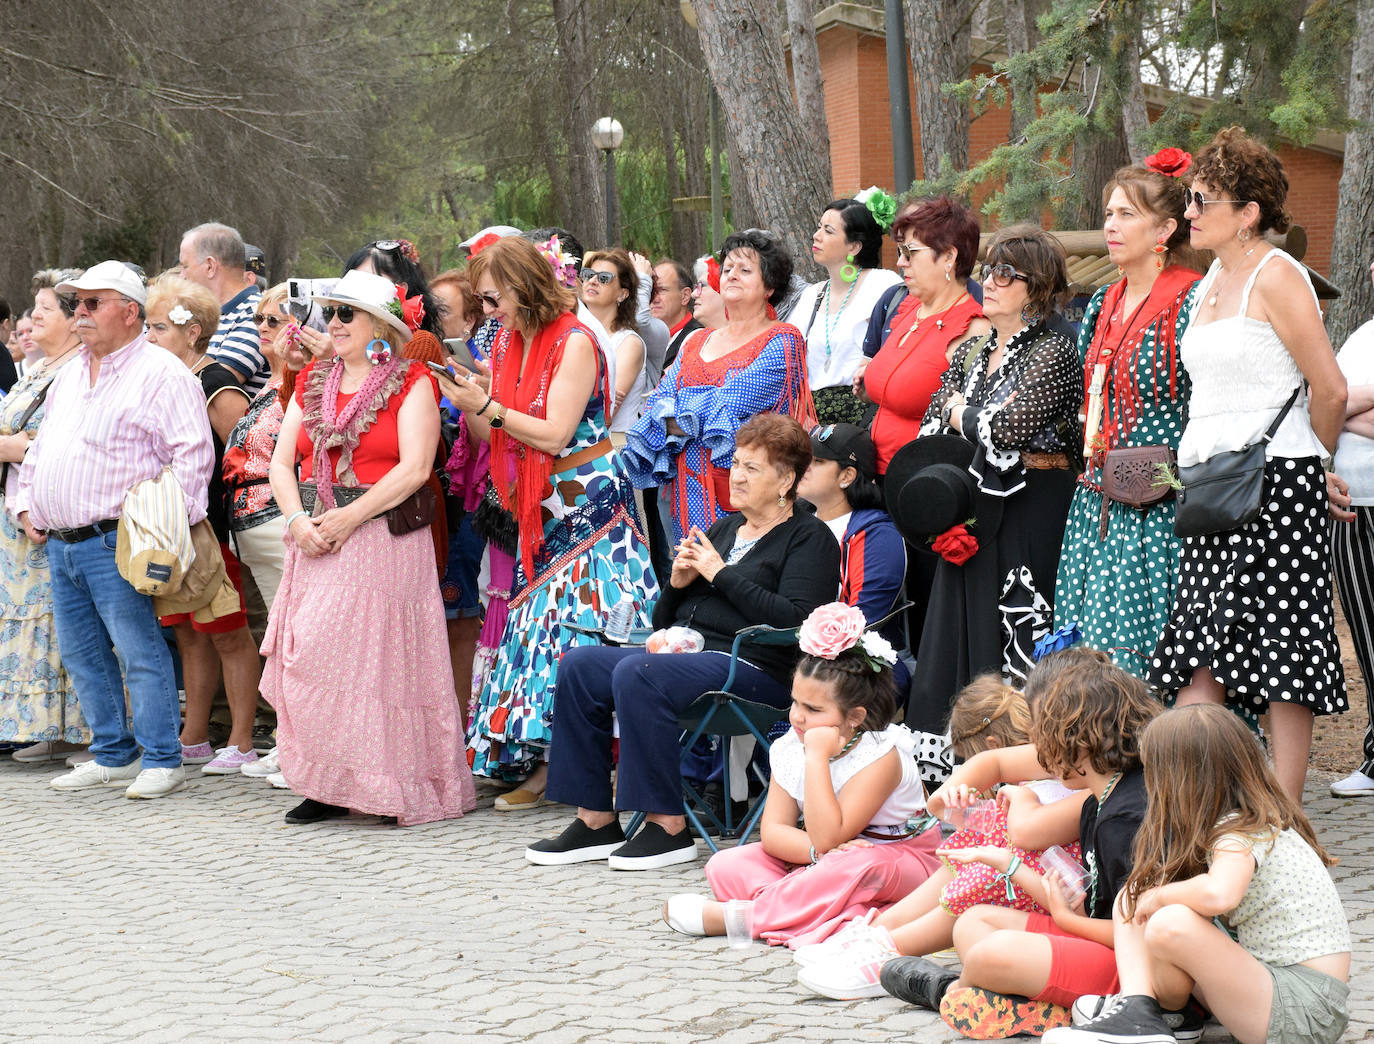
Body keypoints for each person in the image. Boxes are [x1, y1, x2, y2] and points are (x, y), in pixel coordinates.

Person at [526, 414, 839, 869]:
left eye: (752, 468)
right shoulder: (725, 529)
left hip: (755, 668)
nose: (736, 475)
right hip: (689, 659)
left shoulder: (810, 538)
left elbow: (795, 620)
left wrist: (720, 575)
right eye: (735, 463)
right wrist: (676, 583)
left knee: (639, 671)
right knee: (580, 664)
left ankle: (667, 826)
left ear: (786, 479)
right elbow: (662, 620)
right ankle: (595, 820)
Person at [1148, 127, 1348, 804]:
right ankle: (1191, 812)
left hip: (1279, 484)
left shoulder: (1278, 273)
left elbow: (1332, 389)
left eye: (1203, 199)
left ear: (1249, 212)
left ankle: (1287, 820)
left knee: (1282, 646)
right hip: (1210, 485)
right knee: (1201, 650)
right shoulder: (1211, 278)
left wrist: (1315, 463)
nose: (1191, 212)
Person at [436, 236, 658, 807]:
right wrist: (474, 400)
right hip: (534, 501)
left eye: (492, 299)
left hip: (587, 499)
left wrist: (486, 405)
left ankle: (593, 768)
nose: (488, 312)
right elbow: (500, 434)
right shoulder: (511, 342)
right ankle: (552, 764)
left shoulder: (576, 342)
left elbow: (558, 433)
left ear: (520, 286)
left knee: (586, 630)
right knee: (545, 633)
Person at [262, 269, 476, 825]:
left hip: (381, 535)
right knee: (313, 656)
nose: (332, 323)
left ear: (380, 323)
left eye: (346, 313)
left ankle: (388, 785)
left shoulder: (412, 382)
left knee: (376, 665)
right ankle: (327, 782)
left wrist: (349, 517)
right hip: (316, 534)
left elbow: (415, 468)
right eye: (330, 313)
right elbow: (283, 463)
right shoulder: (312, 379)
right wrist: (297, 520)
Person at [879, 649, 1161, 1039]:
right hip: (1106, 944)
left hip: (1142, 975)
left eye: (1044, 737)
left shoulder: (1121, 817)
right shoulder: (1100, 798)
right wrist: (1006, 864)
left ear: (1075, 739)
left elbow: (1141, 935)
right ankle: (1040, 1006)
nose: (1038, 754)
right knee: (973, 922)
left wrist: (1068, 920)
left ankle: (952, 991)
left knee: (991, 954)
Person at [15, 260, 214, 799]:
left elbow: (192, 457)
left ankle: (162, 757)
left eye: (91, 303)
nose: (79, 313)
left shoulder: (162, 373)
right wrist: (26, 503)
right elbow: (43, 447)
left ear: (130, 312)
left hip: (118, 539)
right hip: (61, 540)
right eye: (75, 303)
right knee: (81, 652)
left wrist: (166, 531)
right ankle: (113, 753)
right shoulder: (71, 371)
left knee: (138, 649)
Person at [1045, 705, 1350, 1044]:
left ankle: (1141, 1023)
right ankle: (1143, 1009)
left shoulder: (1241, 830)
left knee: (1169, 920)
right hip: (1279, 994)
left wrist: (1160, 897)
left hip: (1303, 1011)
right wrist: (1151, 894)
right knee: (1134, 895)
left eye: (1155, 774)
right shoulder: (1241, 820)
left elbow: (1221, 894)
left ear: (1184, 779)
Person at [661, 601, 940, 943]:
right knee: (726, 864)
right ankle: (834, 915)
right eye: (795, 702)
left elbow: (830, 835)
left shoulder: (881, 753)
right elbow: (775, 831)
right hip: (826, 859)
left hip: (901, 861)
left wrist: (817, 757)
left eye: (813, 708)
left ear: (854, 716)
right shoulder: (792, 746)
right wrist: (814, 854)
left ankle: (742, 918)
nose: (797, 717)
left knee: (855, 867)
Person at [795, 676, 1085, 1001]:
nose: (1042, 751)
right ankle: (879, 932)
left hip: (1060, 891)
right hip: (1030, 877)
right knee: (976, 845)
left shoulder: (1087, 785)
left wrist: (1018, 797)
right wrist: (946, 797)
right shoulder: (1068, 757)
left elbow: (1027, 832)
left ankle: (890, 948)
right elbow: (990, 764)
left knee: (987, 862)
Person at [904, 225, 1080, 735]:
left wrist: (965, 413)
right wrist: (970, 416)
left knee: (1016, 624)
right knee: (961, 624)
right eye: (988, 271)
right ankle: (960, 756)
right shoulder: (973, 351)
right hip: (974, 503)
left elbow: (1009, 427)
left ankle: (1022, 747)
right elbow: (935, 422)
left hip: (1034, 506)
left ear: (1039, 286)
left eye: (1006, 273)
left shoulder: (1054, 350)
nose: (992, 282)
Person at [1052, 158, 1202, 679]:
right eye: (1108, 213)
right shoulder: (1103, 300)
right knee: (1092, 646)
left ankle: (1159, 753)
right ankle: (1101, 750)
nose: (1111, 225)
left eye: (1126, 214)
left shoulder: (1191, 297)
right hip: (1097, 491)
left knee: (1146, 639)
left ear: (1165, 228)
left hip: (1160, 495)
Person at [622, 229, 815, 546]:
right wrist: (684, 414)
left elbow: (729, 405)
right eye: (727, 269)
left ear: (769, 286)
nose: (732, 276)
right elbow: (655, 407)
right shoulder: (696, 340)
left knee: (740, 582)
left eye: (745, 270)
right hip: (684, 492)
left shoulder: (783, 339)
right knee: (689, 582)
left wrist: (677, 414)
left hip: (747, 494)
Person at [143, 274, 261, 775]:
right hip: (171, 528)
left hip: (214, 528)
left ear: (192, 333)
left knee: (228, 632)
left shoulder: (215, 383)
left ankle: (241, 738)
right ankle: (193, 733)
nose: (149, 339)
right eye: (147, 329)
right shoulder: (158, 381)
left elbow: (251, 452)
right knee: (188, 631)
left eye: (160, 328)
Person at [0, 272, 90, 762]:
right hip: (14, 513)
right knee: (31, 622)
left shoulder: (76, 369)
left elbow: (52, 442)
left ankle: (80, 729)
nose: (33, 318)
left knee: (57, 622)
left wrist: (11, 447)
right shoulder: (38, 366)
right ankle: (46, 726)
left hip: (44, 511)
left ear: (74, 320)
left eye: (45, 309)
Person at [856, 196, 989, 477]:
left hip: (922, 484)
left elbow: (971, 422)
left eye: (910, 252)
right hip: (874, 475)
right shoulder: (908, 307)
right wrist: (868, 385)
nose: (900, 262)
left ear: (949, 257)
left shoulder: (973, 328)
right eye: (900, 251)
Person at [796, 422, 908, 687]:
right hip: (785, 650)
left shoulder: (877, 534)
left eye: (819, 461)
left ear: (847, 476)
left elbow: (862, 619)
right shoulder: (791, 522)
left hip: (847, 660)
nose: (804, 467)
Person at [791, 193, 902, 425]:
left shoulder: (882, 284)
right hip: (812, 421)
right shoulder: (813, 295)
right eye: (819, 227)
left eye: (828, 231)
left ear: (854, 246)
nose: (816, 235)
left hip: (864, 417)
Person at [1329, 261, 1374, 798]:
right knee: (1366, 636)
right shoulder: (1360, 336)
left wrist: (1344, 408)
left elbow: (1338, 403)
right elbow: (1325, 399)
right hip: (1353, 506)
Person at [179, 222, 269, 394]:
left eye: (185, 266)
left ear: (210, 266)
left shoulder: (256, 315)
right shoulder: (209, 313)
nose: (182, 276)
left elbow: (213, 387)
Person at [578, 249, 648, 439]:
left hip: (615, 446)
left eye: (604, 278)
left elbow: (606, 412)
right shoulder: (575, 334)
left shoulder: (628, 343)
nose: (592, 281)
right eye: (588, 275)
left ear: (623, 294)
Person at [653, 259, 700, 367]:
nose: (654, 299)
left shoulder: (697, 340)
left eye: (662, 290)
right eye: (652, 291)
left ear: (685, 296)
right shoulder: (648, 340)